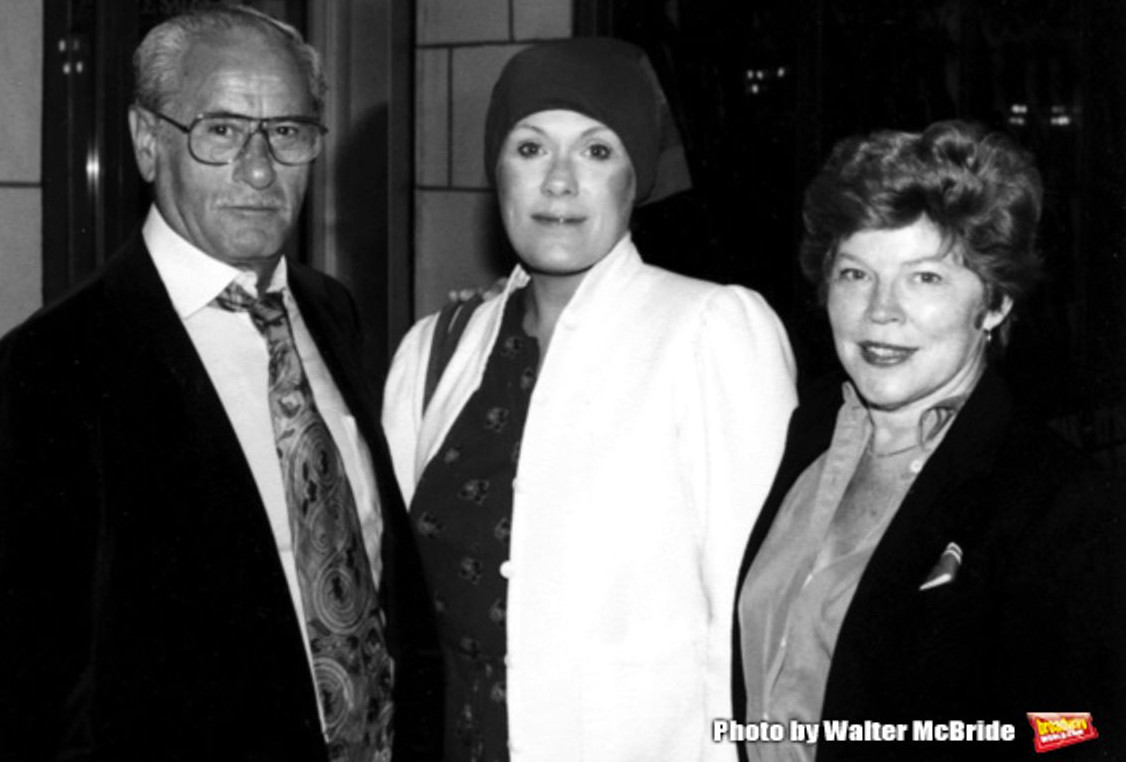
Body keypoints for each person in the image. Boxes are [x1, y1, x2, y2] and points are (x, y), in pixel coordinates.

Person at [0, 4, 441, 762]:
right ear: (148, 142)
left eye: (286, 132)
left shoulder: (330, 312)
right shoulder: (51, 370)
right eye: (220, 130)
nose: (259, 169)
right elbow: (25, 711)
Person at [382, 37, 798, 761]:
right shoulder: (431, 352)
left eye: (598, 151)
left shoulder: (711, 332)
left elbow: (755, 620)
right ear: (497, 171)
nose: (561, 183)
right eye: (531, 148)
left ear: (635, 177)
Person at [735, 120, 1124, 761]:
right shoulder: (806, 435)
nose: (881, 310)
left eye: (926, 278)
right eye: (856, 274)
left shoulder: (1056, 503)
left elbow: (1077, 730)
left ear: (994, 303)